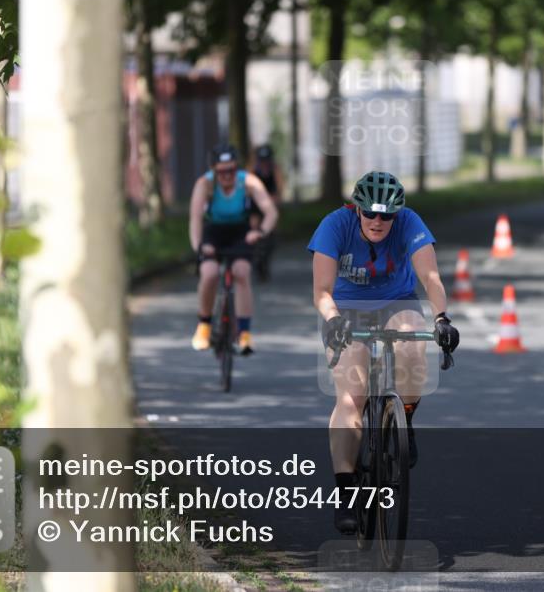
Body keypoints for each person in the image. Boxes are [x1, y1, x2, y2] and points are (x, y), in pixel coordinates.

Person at [308, 171, 459, 534]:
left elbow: (431, 277)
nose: (378, 222)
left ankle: (403, 419)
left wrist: (441, 318)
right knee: (352, 397)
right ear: (356, 209)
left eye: (387, 215)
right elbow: (322, 291)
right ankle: (346, 494)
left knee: (411, 341)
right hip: (346, 308)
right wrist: (333, 320)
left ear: (397, 214)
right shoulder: (335, 225)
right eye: (371, 213)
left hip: (396, 300)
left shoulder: (410, 223)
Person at [189, 144, 278, 354]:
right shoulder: (204, 184)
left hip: (240, 232)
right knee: (209, 273)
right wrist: (200, 247)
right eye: (221, 171)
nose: (227, 176)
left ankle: (245, 333)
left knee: (242, 272)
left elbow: (271, 212)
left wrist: (261, 232)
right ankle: (204, 325)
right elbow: (195, 220)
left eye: (231, 170)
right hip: (213, 232)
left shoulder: (248, 181)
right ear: (214, 170)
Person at [249, 144, 284, 281]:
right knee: (254, 228)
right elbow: (248, 188)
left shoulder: (275, 169)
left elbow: (279, 188)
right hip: (255, 203)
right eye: (261, 160)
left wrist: (275, 200)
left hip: (270, 202)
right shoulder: (252, 169)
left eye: (266, 160)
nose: (264, 163)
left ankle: (266, 259)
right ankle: (256, 259)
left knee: (272, 233)